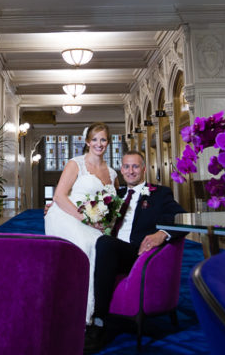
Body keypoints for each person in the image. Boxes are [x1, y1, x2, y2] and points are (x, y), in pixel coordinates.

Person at [84, 150, 186, 354]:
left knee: (105, 244)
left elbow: (182, 217)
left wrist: (162, 234)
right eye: (127, 167)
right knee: (91, 245)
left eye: (135, 166)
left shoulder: (160, 193)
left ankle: (98, 321)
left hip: (138, 255)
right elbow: (86, 214)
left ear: (144, 169)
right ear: (121, 170)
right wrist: (54, 208)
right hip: (110, 252)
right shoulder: (114, 195)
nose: (131, 171)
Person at [44, 122, 118, 324]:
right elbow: (59, 196)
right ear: (87, 142)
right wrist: (85, 219)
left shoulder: (112, 173)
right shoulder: (75, 163)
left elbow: (115, 204)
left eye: (103, 139)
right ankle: (74, 310)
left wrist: (106, 223)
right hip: (67, 215)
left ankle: (94, 309)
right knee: (86, 247)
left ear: (108, 142)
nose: (98, 143)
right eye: (94, 139)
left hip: (95, 222)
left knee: (101, 248)